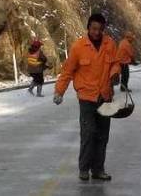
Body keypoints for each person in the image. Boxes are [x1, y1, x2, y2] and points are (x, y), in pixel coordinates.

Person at [53, 13, 120, 181]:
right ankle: (84, 168)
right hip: (87, 98)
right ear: (88, 28)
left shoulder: (110, 44)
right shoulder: (78, 47)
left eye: (100, 29)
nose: (97, 32)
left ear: (103, 29)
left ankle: (98, 169)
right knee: (88, 133)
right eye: (94, 28)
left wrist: (114, 73)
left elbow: (115, 63)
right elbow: (67, 71)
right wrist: (59, 91)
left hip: (105, 96)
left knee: (103, 136)